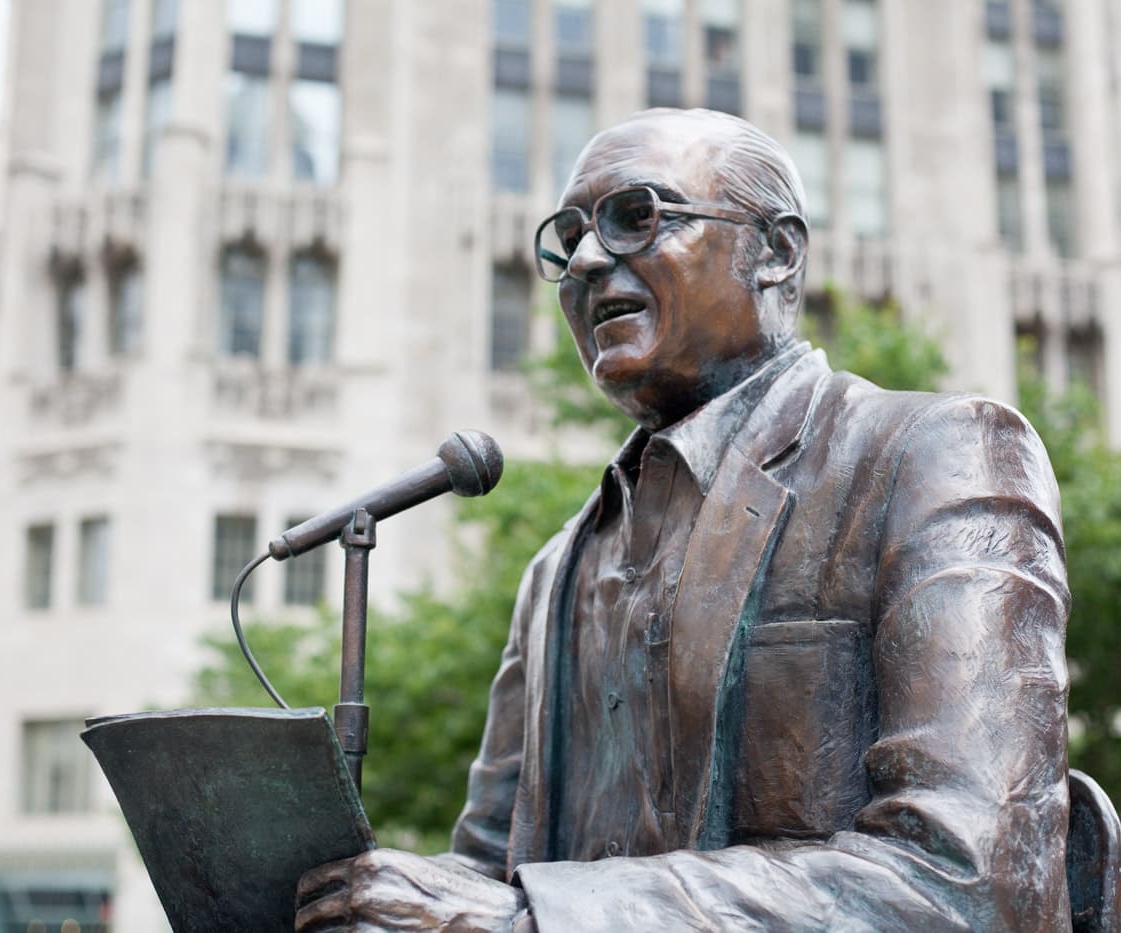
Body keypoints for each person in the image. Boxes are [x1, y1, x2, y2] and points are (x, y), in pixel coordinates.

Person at [296, 107, 1072, 931]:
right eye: (568, 236)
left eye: (639, 217)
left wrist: (528, 920)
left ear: (775, 252)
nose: (589, 260)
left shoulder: (934, 456)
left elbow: (975, 879)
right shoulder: (559, 569)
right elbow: (493, 866)